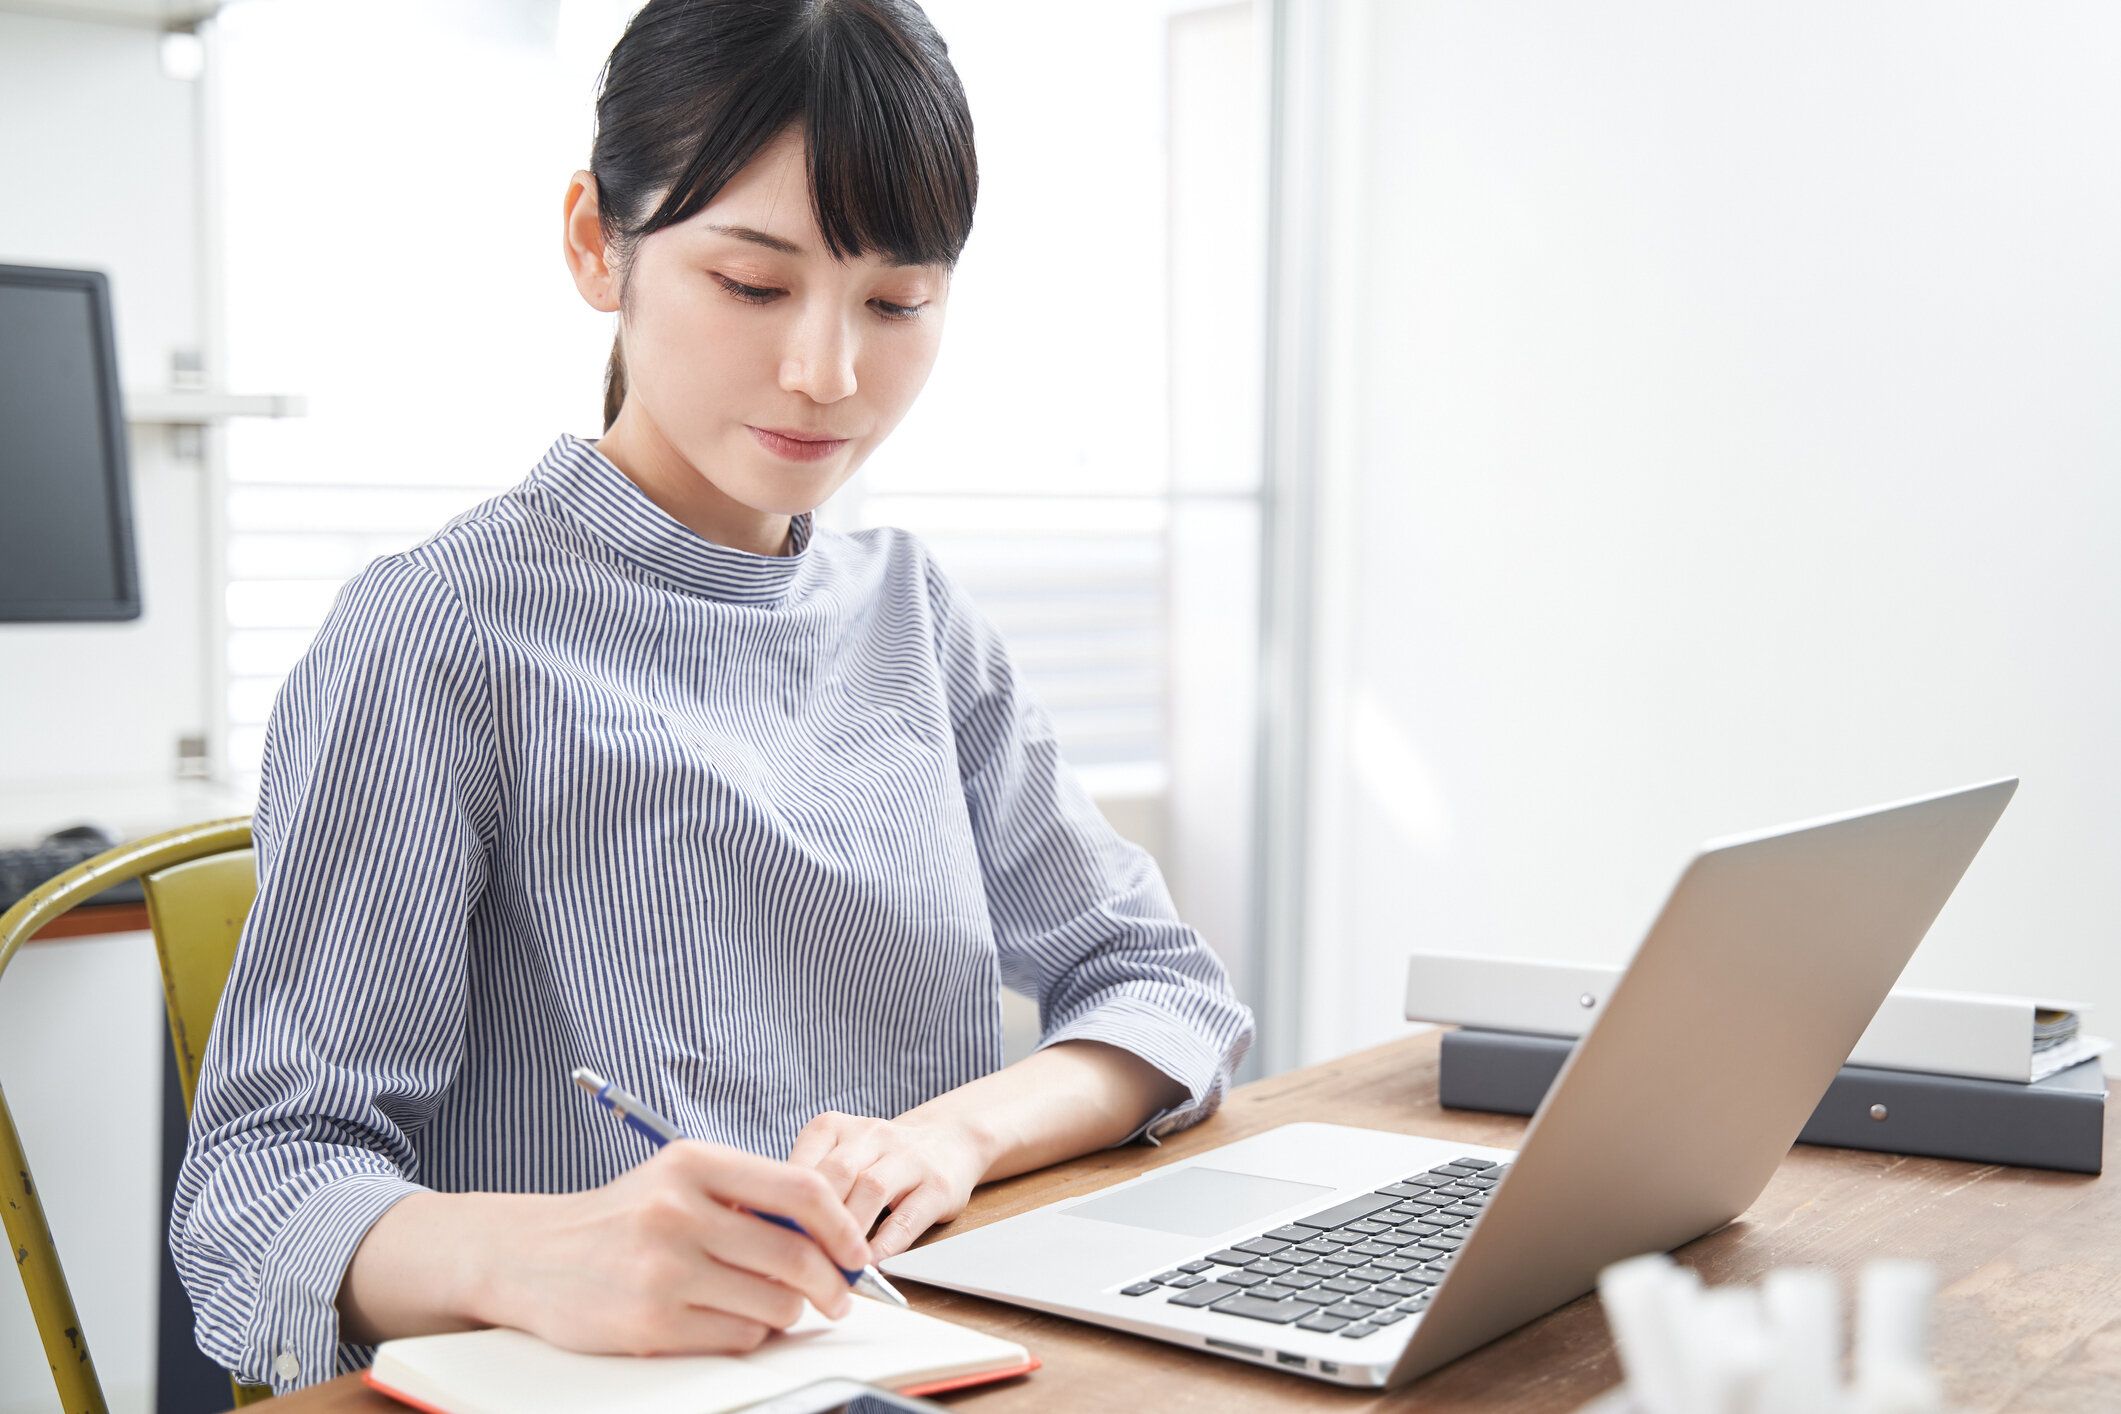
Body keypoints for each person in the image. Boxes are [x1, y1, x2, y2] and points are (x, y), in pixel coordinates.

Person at [169, 0, 1253, 1393]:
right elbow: (252, 1190)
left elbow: (1160, 986)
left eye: (897, 302)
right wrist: (538, 1253)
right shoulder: (440, 635)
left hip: (916, 1355)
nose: (829, 373)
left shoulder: (912, 617)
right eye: (752, 285)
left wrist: (952, 1137)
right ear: (593, 245)